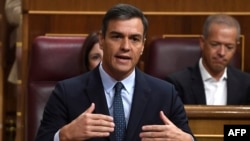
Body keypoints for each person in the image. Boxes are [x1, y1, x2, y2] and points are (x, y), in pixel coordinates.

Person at [35, 3, 194, 141]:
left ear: (143, 46)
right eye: (117, 37)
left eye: (134, 39)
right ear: (102, 40)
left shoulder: (166, 94)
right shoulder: (67, 93)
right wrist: (64, 136)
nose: (125, 46)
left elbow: (186, 137)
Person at [165, 14, 250, 105]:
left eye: (229, 47)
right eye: (215, 44)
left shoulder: (246, 84)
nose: (221, 53)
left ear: (236, 47)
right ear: (202, 43)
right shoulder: (177, 84)